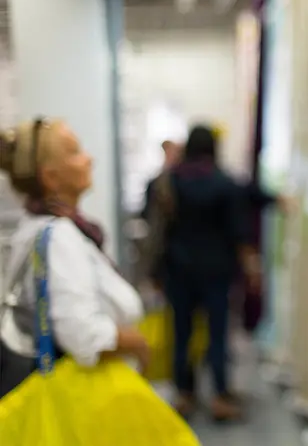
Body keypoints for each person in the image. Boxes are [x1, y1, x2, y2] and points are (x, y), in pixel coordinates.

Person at [0, 118, 148, 397]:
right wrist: (136, 343)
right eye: (75, 152)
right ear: (51, 176)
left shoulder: (37, 227)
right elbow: (82, 335)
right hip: (82, 396)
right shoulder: (59, 237)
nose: (88, 159)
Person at [154, 124, 261, 421]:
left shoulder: (170, 181)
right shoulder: (224, 183)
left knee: (181, 333)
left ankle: (184, 394)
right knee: (217, 334)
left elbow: (158, 226)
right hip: (216, 271)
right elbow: (239, 232)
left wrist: (155, 272)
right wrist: (252, 268)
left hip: (179, 269)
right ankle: (219, 396)